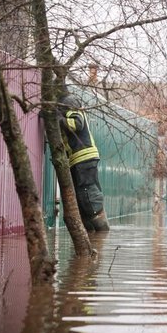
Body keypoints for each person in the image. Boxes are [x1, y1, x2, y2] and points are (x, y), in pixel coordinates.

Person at [59, 94, 109, 231]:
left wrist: (59, 119)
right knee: (83, 198)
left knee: (88, 195)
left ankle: (100, 231)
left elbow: (77, 124)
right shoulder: (67, 111)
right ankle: (94, 235)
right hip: (79, 160)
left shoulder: (72, 108)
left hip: (84, 159)